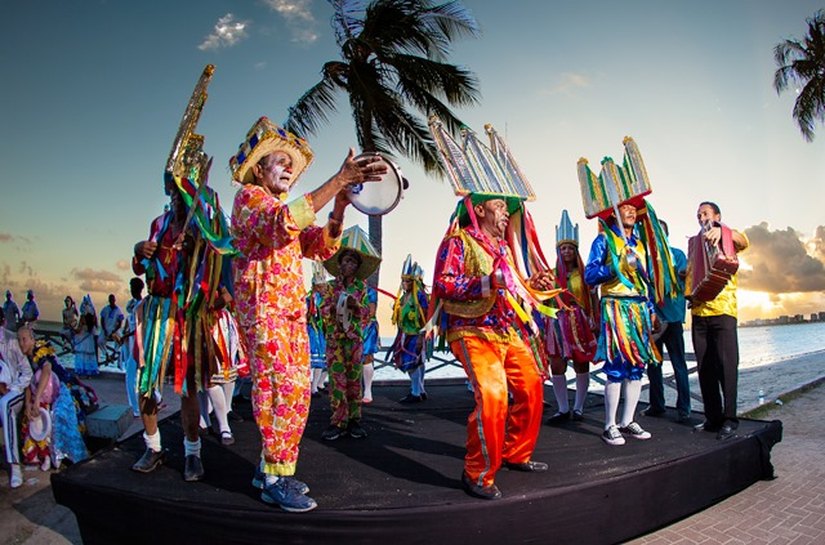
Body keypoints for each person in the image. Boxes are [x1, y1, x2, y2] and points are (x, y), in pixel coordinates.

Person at [229, 116, 385, 512]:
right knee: (279, 391)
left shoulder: (282, 206)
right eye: (278, 161)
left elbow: (321, 247)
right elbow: (282, 224)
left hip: (289, 315)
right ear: (259, 170)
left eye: (289, 163)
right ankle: (272, 480)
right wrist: (336, 179)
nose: (286, 168)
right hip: (265, 312)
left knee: (296, 392)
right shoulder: (250, 199)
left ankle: (272, 470)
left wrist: (339, 204)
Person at [585, 202, 676, 446]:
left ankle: (628, 420)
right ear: (614, 214)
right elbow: (590, 276)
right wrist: (616, 267)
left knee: (637, 366)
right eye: (625, 207)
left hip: (638, 309)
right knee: (616, 366)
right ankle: (609, 425)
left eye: (633, 208)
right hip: (615, 306)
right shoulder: (603, 241)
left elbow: (644, 281)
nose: (631, 211)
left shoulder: (640, 244)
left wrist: (650, 309)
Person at [687, 201, 749, 440]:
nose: (701, 217)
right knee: (705, 368)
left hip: (723, 310)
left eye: (705, 213)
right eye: (698, 214)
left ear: (717, 215)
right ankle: (712, 417)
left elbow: (743, 241)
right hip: (699, 313)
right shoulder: (695, 243)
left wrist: (722, 231)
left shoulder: (726, 235)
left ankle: (730, 419)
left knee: (727, 367)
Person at [318, 226, 381, 441]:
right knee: (337, 380)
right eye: (346, 261)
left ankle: (354, 420)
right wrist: (333, 306)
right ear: (339, 263)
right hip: (335, 340)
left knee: (354, 379)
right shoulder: (329, 288)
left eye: (353, 262)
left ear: (357, 267)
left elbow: (367, 315)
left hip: (354, 340)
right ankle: (338, 420)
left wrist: (355, 307)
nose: (349, 265)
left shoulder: (362, 288)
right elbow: (322, 311)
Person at [545, 210, 599, 424]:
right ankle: (562, 408)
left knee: (581, 362)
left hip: (580, 321)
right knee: (556, 364)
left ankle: (578, 407)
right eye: (563, 248)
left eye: (570, 248)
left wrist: (595, 318)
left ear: (576, 250)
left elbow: (593, 297)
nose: (566, 251)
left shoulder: (585, 274)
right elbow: (544, 300)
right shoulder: (550, 274)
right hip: (557, 322)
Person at [17, 325, 89, 471]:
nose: (21, 343)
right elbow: (28, 382)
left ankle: (65, 455)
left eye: (24, 339)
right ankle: (44, 454)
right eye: (19, 340)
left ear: (32, 339)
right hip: (44, 392)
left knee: (61, 416)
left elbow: (47, 371)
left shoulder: (39, 350)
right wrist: (28, 403)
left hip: (63, 387)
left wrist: (36, 400)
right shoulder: (26, 358)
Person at [642, 220, 691, 424]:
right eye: (652, 233)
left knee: (679, 363)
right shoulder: (646, 259)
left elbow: (685, 276)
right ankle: (657, 404)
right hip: (653, 319)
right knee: (653, 364)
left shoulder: (677, 255)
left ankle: (684, 408)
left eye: (659, 232)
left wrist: (686, 271)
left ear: (667, 234)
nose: (656, 236)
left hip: (672, 318)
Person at [390, 256, 430, 403]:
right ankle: (420, 390)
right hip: (405, 334)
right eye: (403, 281)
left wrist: (421, 336)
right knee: (416, 363)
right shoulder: (404, 297)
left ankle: (416, 392)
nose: (404, 284)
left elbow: (426, 316)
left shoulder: (420, 296)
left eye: (408, 281)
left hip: (416, 334)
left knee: (412, 363)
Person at [0, 312, 33, 488]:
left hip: (15, 389)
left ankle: (14, 466)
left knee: (5, 405)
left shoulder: (12, 341)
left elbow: (27, 372)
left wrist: (12, 389)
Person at [121, 278, 144, 417]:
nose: (131, 289)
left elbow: (139, 327)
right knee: (139, 376)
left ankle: (135, 408)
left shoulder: (141, 305)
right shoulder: (133, 305)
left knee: (130, 377)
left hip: (138, 345)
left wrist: (127, 335)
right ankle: (157, 398)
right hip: (131, 345)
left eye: (132, 287)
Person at [307, 262, 329, 398]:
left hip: (321, 331)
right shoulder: (309, 299)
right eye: (321, 286)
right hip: (312, 330)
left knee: (323, 359)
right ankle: (312, 387)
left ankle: (317, 384)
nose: (324, 288)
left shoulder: (325, 299)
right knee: (314, 359)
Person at [360, 286, 379, 404]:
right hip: (348, 326)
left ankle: (367, 390)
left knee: (366, 356)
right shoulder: (344, 289)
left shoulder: (370, 291)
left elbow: (371, 311)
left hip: (366, 326)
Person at [73, 295, 99, 378]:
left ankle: (80, 373)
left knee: (81, 355)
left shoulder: (83, 317)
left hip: (83, 338)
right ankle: (89, 374)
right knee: (89, 356)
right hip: (90, 339)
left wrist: (72, 328)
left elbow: (79, 329)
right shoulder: (93, 318)